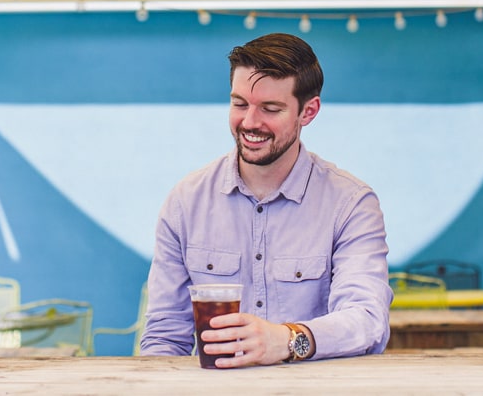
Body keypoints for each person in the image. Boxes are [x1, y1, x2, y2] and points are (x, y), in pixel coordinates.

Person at [140, 32, 391, 366]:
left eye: (271, 109)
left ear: (308, 111)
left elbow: (367, 321)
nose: (250, 122)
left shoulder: (351, 204)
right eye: (240, 104)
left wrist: (289, 339)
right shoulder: (186, 202)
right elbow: (164, 335)